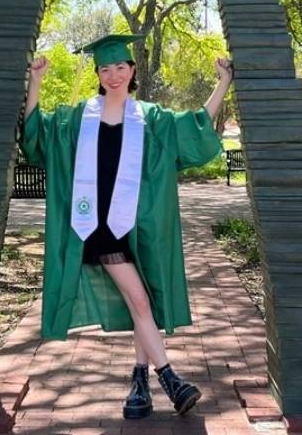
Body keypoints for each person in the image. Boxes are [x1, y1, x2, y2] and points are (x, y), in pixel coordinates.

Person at [21, 34, 233, 419]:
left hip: (139, 226)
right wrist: (35, 82)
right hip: (97, 226)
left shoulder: (150, 118)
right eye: (105, 68)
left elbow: (195, 126)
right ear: (98, 74)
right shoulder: (76, 118)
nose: (113, 74)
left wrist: (224, 83)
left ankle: (139, 383)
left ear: (132, 70)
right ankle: (170, 378)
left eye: (121, 67)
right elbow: (38, 134)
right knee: (138, 300)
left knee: (144, 303)